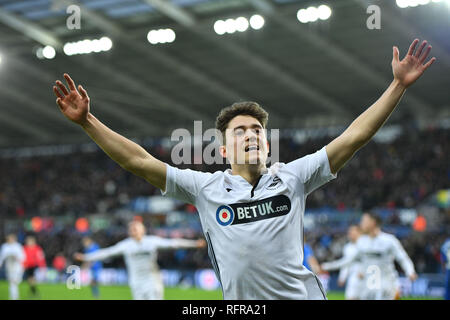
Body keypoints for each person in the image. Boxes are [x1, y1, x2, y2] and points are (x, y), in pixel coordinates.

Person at [53, 39, 435, 299]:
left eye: (257, 130)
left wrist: (397, 86)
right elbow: (139, 161)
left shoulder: (293, 178)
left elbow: (353, 137)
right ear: (224, 148)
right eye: (241, 131)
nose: (251, 135)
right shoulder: (204, 188)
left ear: (267, 143)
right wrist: (89, 123)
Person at [74, 221, 206, 300]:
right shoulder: (126, 245)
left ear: (143, 230)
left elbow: (174, 243)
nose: (133, 230)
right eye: (131, 228)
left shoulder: (151, 241)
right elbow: (106, 252)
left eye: (136, 227)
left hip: (152, 281)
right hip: (136, 283)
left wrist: (194, 244)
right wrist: (85, 257)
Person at [321, 212, 418, 300]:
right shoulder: (362, 242)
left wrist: (410, 271)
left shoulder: (389, 240)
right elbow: (347, 261)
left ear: (373, 222)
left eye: (364, 221)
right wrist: (325, 266)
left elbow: (402, 258)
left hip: (388, 286)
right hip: (368, 287)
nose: (361, 223)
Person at [336, 225, 364, 300]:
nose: (350, 233)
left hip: (365, 278)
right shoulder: (347, 247)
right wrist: (342, 278)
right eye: (349, 232)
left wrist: (364, 271)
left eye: (352, 231)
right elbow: (345, 264)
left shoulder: (365, 245)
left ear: (359, 232)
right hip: (353, 277)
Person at [0, 234, 25, 300]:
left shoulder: (18, 246)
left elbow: (22, 256)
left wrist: (17, 257)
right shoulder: (5, 246)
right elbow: (2, 256)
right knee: (12, 282)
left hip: (17, 266)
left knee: (17, 280)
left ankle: (14, 296)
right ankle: (14, 297)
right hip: (9, 266)